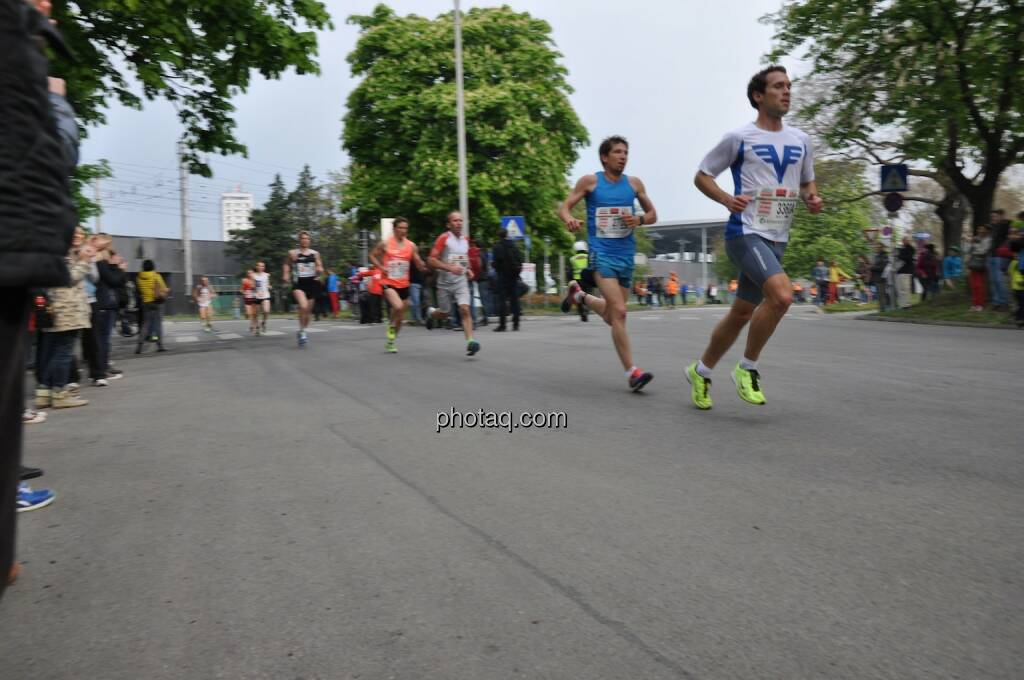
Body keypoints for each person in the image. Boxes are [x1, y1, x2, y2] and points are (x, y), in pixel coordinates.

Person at [685, 65, 822, 409]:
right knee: (782, 296)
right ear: (759, 97)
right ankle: (747, 368)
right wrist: (726, 200)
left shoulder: (801, 139)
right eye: (778, 86)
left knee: (742, 314)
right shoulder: (739, 137)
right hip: (745, 232)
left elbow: (807, 181)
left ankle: (700, 371)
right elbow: (702, 176)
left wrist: (812, 197)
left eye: (789, 86)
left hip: (778, 236)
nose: (787, 91)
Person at [558, 135, 658, 392]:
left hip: (626, 255)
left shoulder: (634, 184)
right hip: (601, 254)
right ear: (605, 157)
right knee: (621, 313)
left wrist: (640, 220)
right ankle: (632, 372)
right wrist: (569, 219)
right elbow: (564, 207)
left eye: (626, 152)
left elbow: (653, 214)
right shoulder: (591, 182)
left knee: (612, 316)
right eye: (617, 152)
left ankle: (579, 296)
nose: (623, 156)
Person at [425, 211, 480, 356]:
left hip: (460, 282)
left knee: (464, 309)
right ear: (448, 224)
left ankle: (470, 342)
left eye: (460, 220)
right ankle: (431, 313)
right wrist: (449, 267)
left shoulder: (465, 240)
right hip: (444, 283)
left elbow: (464, 258)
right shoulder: (444, 238)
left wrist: (468, 270)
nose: (458, 223)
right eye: (455, 221)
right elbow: (431, 260)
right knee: (445, 313)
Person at [369, 217, 427, 353]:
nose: (403, 230)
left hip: (404, 284)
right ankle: (390, 325)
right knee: (398, 306)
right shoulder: (385, 244)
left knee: (401, 318)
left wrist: (421, 264)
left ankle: (391, 340)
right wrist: (381, 267)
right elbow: (372, 255)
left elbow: (417, 260)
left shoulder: (411, 245)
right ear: (395, 228)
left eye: (405, 228)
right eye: (400, 228)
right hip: (388, 282)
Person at [283, 230, 324, 347]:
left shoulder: (315, 254)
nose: (305, 240)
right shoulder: (292, 253)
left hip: (312, 284)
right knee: (303, 306)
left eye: (307, 238)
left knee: (308, 313)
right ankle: (302, 332)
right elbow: (286, 264)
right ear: (299, 240)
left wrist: (320, 271)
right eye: (303, 238)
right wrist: (286, 274)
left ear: (309, 241)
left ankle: (302, 330)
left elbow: (320, 266)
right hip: (298, 284)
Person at [491, 228, 523, 332]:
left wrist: (497, 268)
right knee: (515, 300)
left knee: (502, 301)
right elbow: (519, 259)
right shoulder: (514, 245)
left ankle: (502, 325)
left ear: (499, 235)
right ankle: (516, 324)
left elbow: (495, 263)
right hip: (513, 276)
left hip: (502, 276)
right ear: (507, 234)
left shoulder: (497, 246)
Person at [136, 259, 169, 353]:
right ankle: (160, 345)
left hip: (146, 303)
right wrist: (166, 290)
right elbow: (163, 289)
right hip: (157, 302)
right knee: (158, 324)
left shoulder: (139, 277)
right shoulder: (156, 276)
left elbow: (140, 290)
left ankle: (139, 346)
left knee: (145, 324)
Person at [988, 209, 1012, 311]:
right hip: (991, 256)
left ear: (1002, 216)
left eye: (995, 216)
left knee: (999, 280)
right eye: (992, 217)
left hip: (1001, 256)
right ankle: (996, 302)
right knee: (993, 280)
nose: (993, 218)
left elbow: (1011, 236)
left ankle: (1004, 303)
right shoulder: (993, 227)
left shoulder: (1007, 224)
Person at [966, 226, 991, 312]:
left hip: (981, 264)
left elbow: (983, 251)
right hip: (973, 263)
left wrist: (976, 244)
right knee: (973, 285)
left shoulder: (988, 239)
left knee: (979, 285)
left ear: (985, 231)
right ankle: (974, 304)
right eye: (978, 229)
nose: (980, 231)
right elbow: (968, 250)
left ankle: (980, 304)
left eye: (982, 229)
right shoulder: (975, 239)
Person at [895, 235, 915, 308]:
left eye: (905, 240)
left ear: (908, 241)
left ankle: (907, 303)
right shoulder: (902, 248)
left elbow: (909, 258)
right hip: (900, 271)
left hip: (906, 271)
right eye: (902, 240)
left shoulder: (910, 248)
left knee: (906, 288)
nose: (903, 241)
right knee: (900, 289)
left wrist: (900, 256)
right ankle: (902, 304)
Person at [252, 261, 271, 333]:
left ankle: (263, 322)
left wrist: (269, 286)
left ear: (264, 267)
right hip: (256, 295)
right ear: (257, 267)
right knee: (256, 313)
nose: (261, 267)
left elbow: (268, 284)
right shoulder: (253, 275)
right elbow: (253, 285)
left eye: (262, 266)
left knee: (266, 311)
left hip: (265, 295)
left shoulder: (267, 275)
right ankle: (257, 327)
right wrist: (254, 288)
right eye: (259, 266)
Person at [240, 270, 258, 334]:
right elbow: (241, 289)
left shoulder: (256, 280)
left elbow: (258, 289)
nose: (250, 274)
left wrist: (254, 287)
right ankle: (247, 315)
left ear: (253, 274)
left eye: (251, 273)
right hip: (247, 298)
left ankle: (252, 326)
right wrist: (244, 292)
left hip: (254, 298)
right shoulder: (244, 280)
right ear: (247, 274)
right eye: (249, 273)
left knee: (253, 313)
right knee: (249, 313)